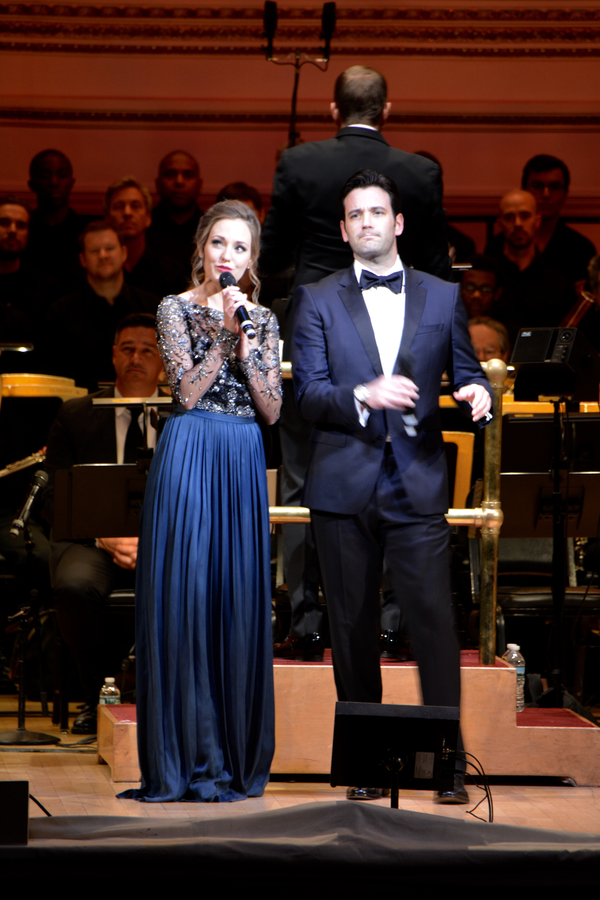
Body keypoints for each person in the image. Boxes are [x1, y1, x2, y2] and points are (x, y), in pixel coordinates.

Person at [292, 170, 492, 803]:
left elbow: (465, 370)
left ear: (398, 223)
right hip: (342, 482)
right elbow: (307, 394)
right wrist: (362, 392)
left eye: (378, 212)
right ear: (345, 229)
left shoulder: (442, 294)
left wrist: (479, 389)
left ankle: (449, 765)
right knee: (350, 629)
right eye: (356, 215)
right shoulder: (316, 297)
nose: (368, 222)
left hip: (417, 480)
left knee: (434, 623)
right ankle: (368, 764)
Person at [119, 200, 282, 803]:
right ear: (202, 250)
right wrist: (224, 337)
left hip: (240, 458)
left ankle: (233, 759)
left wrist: (247, 339)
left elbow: (272, 409)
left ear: (253, 258)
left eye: (240, 248)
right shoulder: (174, 308)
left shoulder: (263, 318)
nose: (229, 257)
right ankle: (182, 758)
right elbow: (185, 393)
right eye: (219, 244)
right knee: (185, 599)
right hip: (189, 453)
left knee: (234, 601)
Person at [43, 313, 165, 733]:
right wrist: (106, 536)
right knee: (73, 584)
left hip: (163, 541)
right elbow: (54, 495)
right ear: (113, 356)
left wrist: (148, 539)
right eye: (127, 349)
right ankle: (98, 695)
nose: (136, 358)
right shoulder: (76, 415)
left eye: (148, 350)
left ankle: (167, 695)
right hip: (92, 540)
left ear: (165, 360)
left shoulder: (183, 415)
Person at [43, 220, 159, 391]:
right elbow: (51, 377)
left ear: (124, 253)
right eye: (95, 251)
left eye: (110, 249)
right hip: (79, 409)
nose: (103, 255)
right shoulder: (60, 313)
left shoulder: (152, 307)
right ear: (83, 259)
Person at [487, 189, 575, 342]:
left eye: (525, 216)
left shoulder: (559, 284)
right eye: (509, 217)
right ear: (500, 223)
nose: (518, 224)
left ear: (537, 221)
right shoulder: (487, 278)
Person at [105, 176, 187, 299]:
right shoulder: (94, 269)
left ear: (148, 218)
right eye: (119, 206)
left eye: (135, 206)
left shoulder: (171, 273)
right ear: (107, 218)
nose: (127, 213)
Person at [25, 149, 94, 286]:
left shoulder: (87, 233)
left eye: (61, 175)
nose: (54, 182)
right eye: (45, 176)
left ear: (71, 183)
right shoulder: (23, 231)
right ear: (32, 185)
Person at [147, 150, 203, 274]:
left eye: (188, 175)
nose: (179, 181)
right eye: (170, 174)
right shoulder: (143, 228)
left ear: (200, 185)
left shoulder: (212, 229)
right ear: (157, 184)